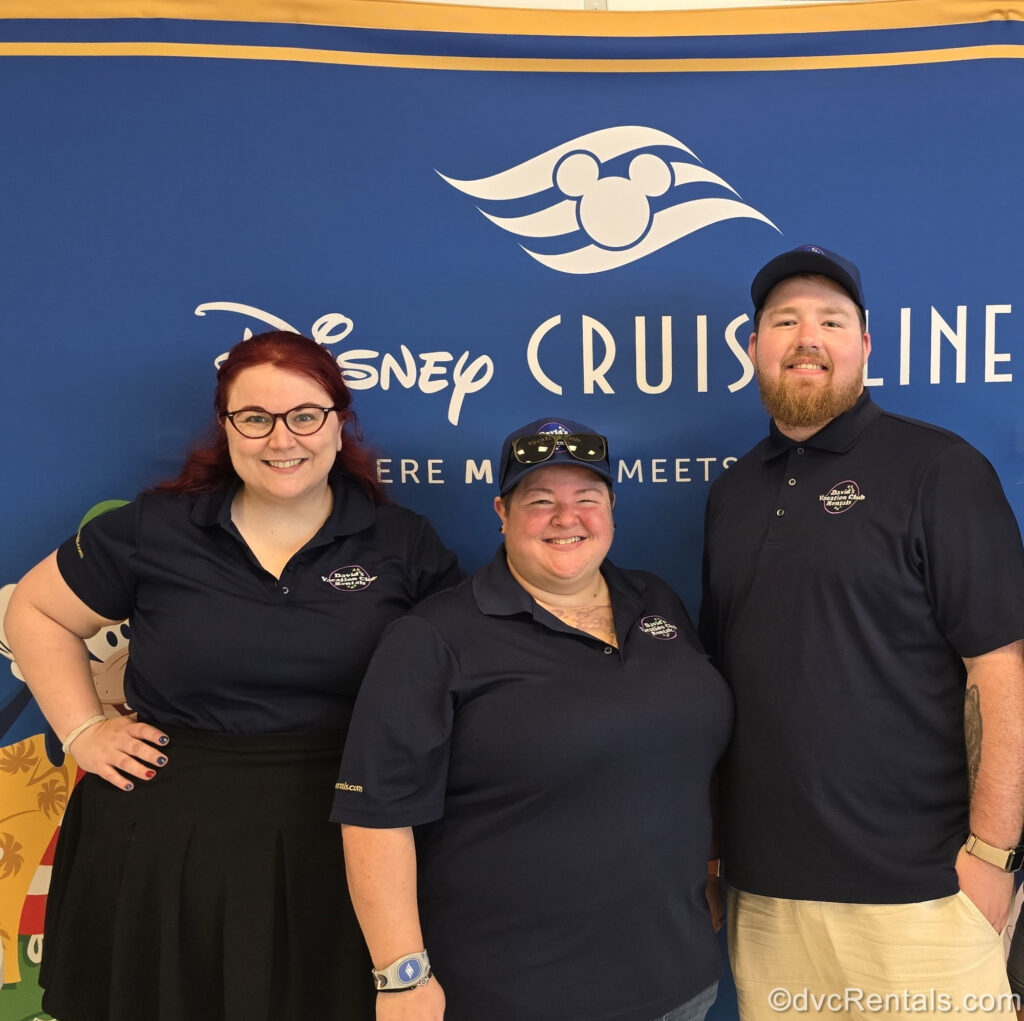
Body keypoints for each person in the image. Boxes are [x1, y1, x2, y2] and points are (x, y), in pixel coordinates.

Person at [3, 330, 462, 1021]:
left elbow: (458, 671)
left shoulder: (402, 542)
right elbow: (34, 610)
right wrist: (84, 728)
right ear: (226, 427)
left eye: (305, 414)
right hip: (164, 846)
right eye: (255, 418)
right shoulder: (157, 528)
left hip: (342, 841)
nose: (282, 439)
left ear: (340, 422)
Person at [699, 246, 1024, 1019]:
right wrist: (711, 847)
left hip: (923, 895)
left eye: (831, 320)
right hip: (768, 898)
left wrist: (992, 857)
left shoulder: (939, 469)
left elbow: (1001, 672)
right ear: (753, 348)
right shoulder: (732, 493)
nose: (807, 336)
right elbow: (717, 688)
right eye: (784, 320)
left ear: (867, 345)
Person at [333, 418, 733, 1021]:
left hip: (678, 984)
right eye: (540, 501)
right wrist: (402, 977)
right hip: (516, 993)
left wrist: (707, 860)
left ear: (613, 508)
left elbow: (689, 754)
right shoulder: (434, 638)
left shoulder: (655, 601)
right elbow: (375, 818)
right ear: (502, 511)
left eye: (586, 499)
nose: (565, 518)